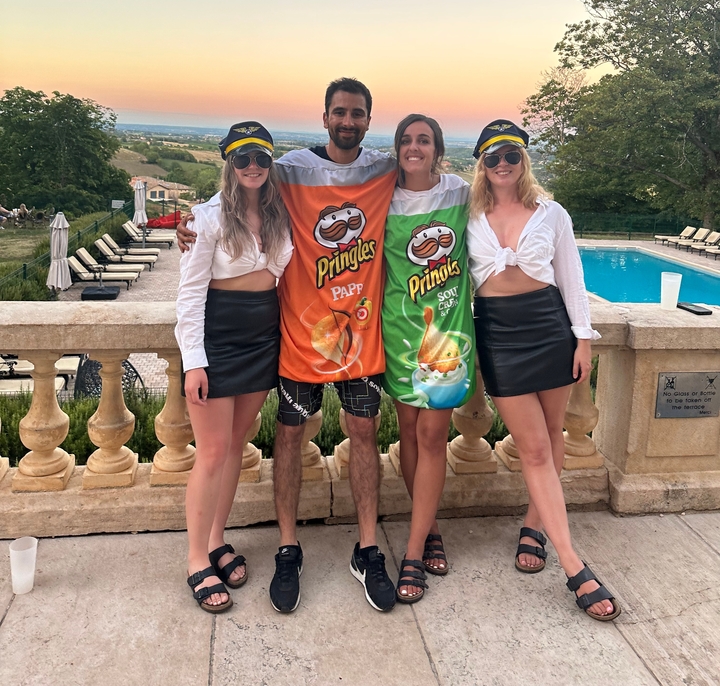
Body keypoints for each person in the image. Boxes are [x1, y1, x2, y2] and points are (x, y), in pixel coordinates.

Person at [178, 79, 398, 613]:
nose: (348, 120)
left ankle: (363, 550)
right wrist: (191, 225)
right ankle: (264, 550)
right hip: (272, 338)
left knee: (247, 446)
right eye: (339, 112)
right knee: (260, 442)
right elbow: (224, 208)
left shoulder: (379, 170)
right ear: (324, 116)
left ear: (368, 119)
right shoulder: (278, 176)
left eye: (358, 113)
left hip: (309, 338)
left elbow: (428, 180)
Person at [466, 119, 621, 621]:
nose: (503, 164)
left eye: (511, 154)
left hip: (549, 328)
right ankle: (575, 565)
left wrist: (583, 340)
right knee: (532, 446)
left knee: (552, 434)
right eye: (493, 157)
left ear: (523, 159)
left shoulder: (551, 213)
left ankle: (536, 523)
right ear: (481, 165)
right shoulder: (466, 214)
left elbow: (572, 280)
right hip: (498, 335)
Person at [175, 121, 293, 613]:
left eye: (261, 159)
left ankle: (218, 537)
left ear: (271, 164)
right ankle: (196, 558)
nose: (252, 167)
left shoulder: (280, 216)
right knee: (213, 451)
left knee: (236, 447)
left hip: (262, 340)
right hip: (219, 337)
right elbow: (189, 295)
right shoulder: (204, 220)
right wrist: (194, 362)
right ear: (229, 162)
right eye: (242, 158)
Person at [381, 114, 476, 603]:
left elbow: (510, 204)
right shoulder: (382, 195)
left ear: (437, 149)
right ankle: (430, 523)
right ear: (397, 147)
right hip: (398, 334)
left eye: (424, 140)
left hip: (448, 334)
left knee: (434, 433)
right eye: (406, 139)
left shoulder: (459, 192)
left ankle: (414, 551)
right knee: (409, 436)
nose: (413, 147)